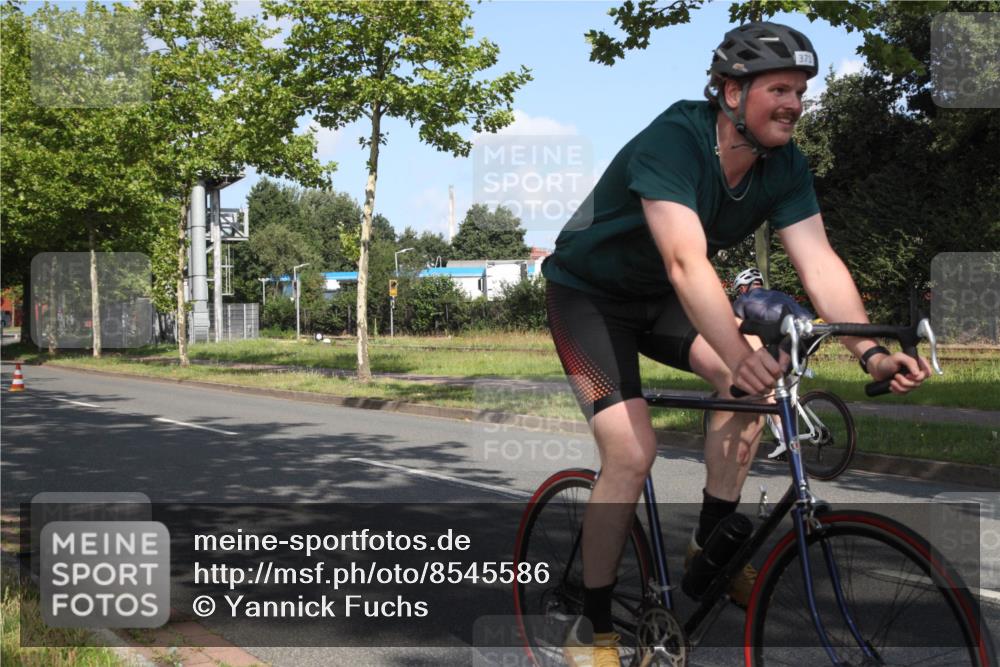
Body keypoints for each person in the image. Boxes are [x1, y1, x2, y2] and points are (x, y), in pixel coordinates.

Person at [540, 21, 931, 667]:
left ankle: (708, 544)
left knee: (753, 385)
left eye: (801, 91)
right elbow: (685, 262)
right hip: (587, 297)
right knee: (632, 452)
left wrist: (871, 353)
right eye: (780, 89)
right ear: (730, 91)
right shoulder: (675, 140)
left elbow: (819, 263)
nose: (794, 104)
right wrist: (739, 354)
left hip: (661, 299)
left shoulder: (786, 165)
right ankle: (593, 627)